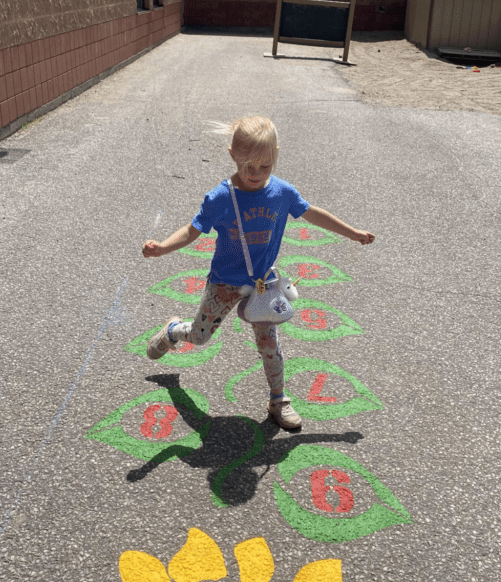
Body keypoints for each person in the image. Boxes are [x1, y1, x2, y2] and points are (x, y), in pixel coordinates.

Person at [142, 116, 375, 431]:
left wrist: (353, 233)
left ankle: (278, 399)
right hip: (224, 283)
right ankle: (173, 331)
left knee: (270, 343)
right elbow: (192, 230)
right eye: (246, 165)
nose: (254, 174)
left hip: (263, 285)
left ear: (276, 155)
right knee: (200, 336)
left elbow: (314, 214)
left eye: (264, 166)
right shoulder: (221, 198)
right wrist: (163, 248)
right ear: (231, 155)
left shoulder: (283, 193)